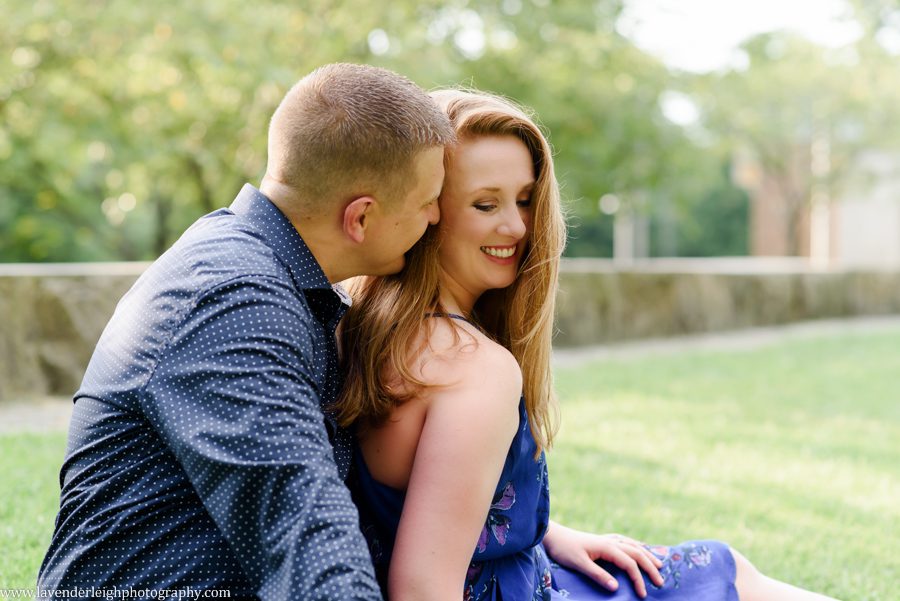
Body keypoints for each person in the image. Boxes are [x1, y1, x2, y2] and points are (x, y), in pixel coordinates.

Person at [335, 89, 840, 601]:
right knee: (725, 579)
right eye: (485, 203)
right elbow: (422, 586)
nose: (516, 226)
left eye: (527, 199)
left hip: (526, 572)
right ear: (427, 208)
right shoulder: (474, 370)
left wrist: (551, 537)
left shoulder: (366, 326)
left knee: (718, 569)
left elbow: (430, 505)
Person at [37, 63, 454, 600]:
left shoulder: (272, 272)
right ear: (361, 218)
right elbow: (305, 532)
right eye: (427, 202)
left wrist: (527, 536)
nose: (438, 218)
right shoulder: (235, 301)